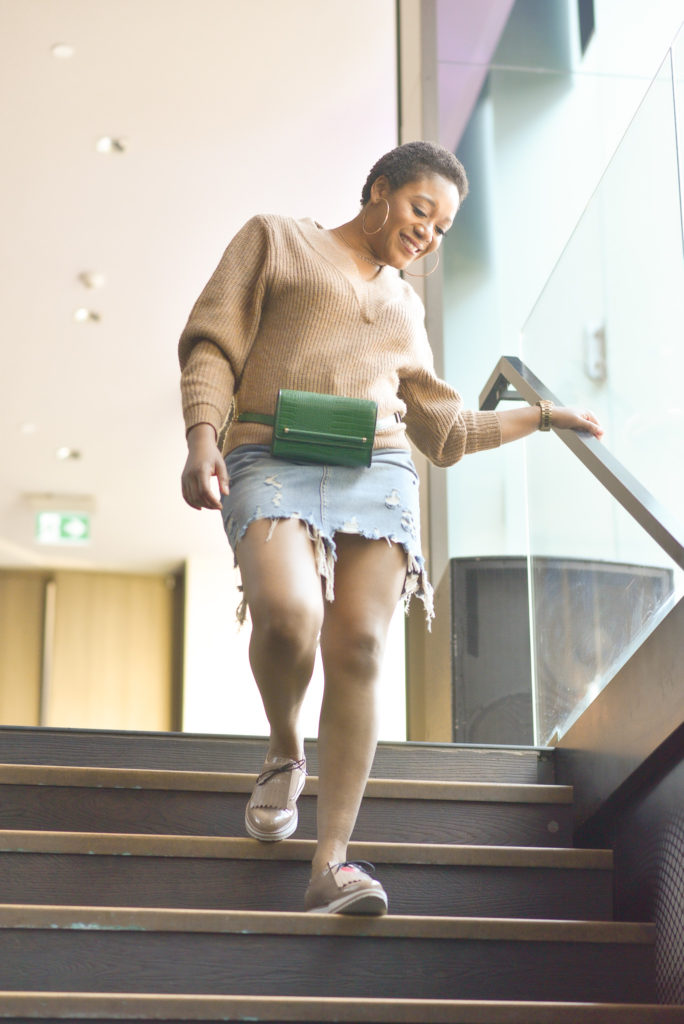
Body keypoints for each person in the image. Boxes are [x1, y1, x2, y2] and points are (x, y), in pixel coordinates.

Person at [178, 140, 603, 916]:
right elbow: (212, 343)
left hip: (376, 470)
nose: (428, 235)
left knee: (363, 646)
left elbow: (443, 431)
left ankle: (331, 863)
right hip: (267, 453)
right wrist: (203, 436)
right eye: (419, 211)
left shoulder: (405, 306)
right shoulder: (277, 238)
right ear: (379, 191)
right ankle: (284, 748)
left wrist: (542, 417)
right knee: (288, 614)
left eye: (442, 228)